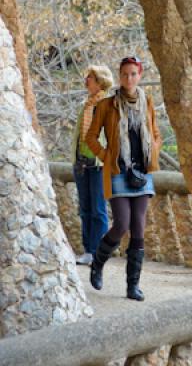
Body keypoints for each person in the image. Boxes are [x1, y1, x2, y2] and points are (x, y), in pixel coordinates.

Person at [85, 55, 161, 301]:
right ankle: (98, 262)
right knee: (121, 224)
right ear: (120, 76)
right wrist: (107, 156)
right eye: (125, 74)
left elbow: (155, 134)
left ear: (139, 76)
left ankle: (132, 286)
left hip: (142, 172)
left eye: (133, 74)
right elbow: (91, 137)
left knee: (138, 227)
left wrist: (153, 152)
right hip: (118, 171)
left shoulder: (147, 101)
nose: (129, 78)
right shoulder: (107, 105)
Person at [72, 64, 113, 265]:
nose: (86, 80)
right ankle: (88, 250)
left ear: (99, 82)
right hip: (81, 163)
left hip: (99, 165)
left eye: (90, 77)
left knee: (98, 209)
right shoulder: (87, 104)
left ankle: (99, 252)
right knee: (85, 208)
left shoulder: (108, 105)